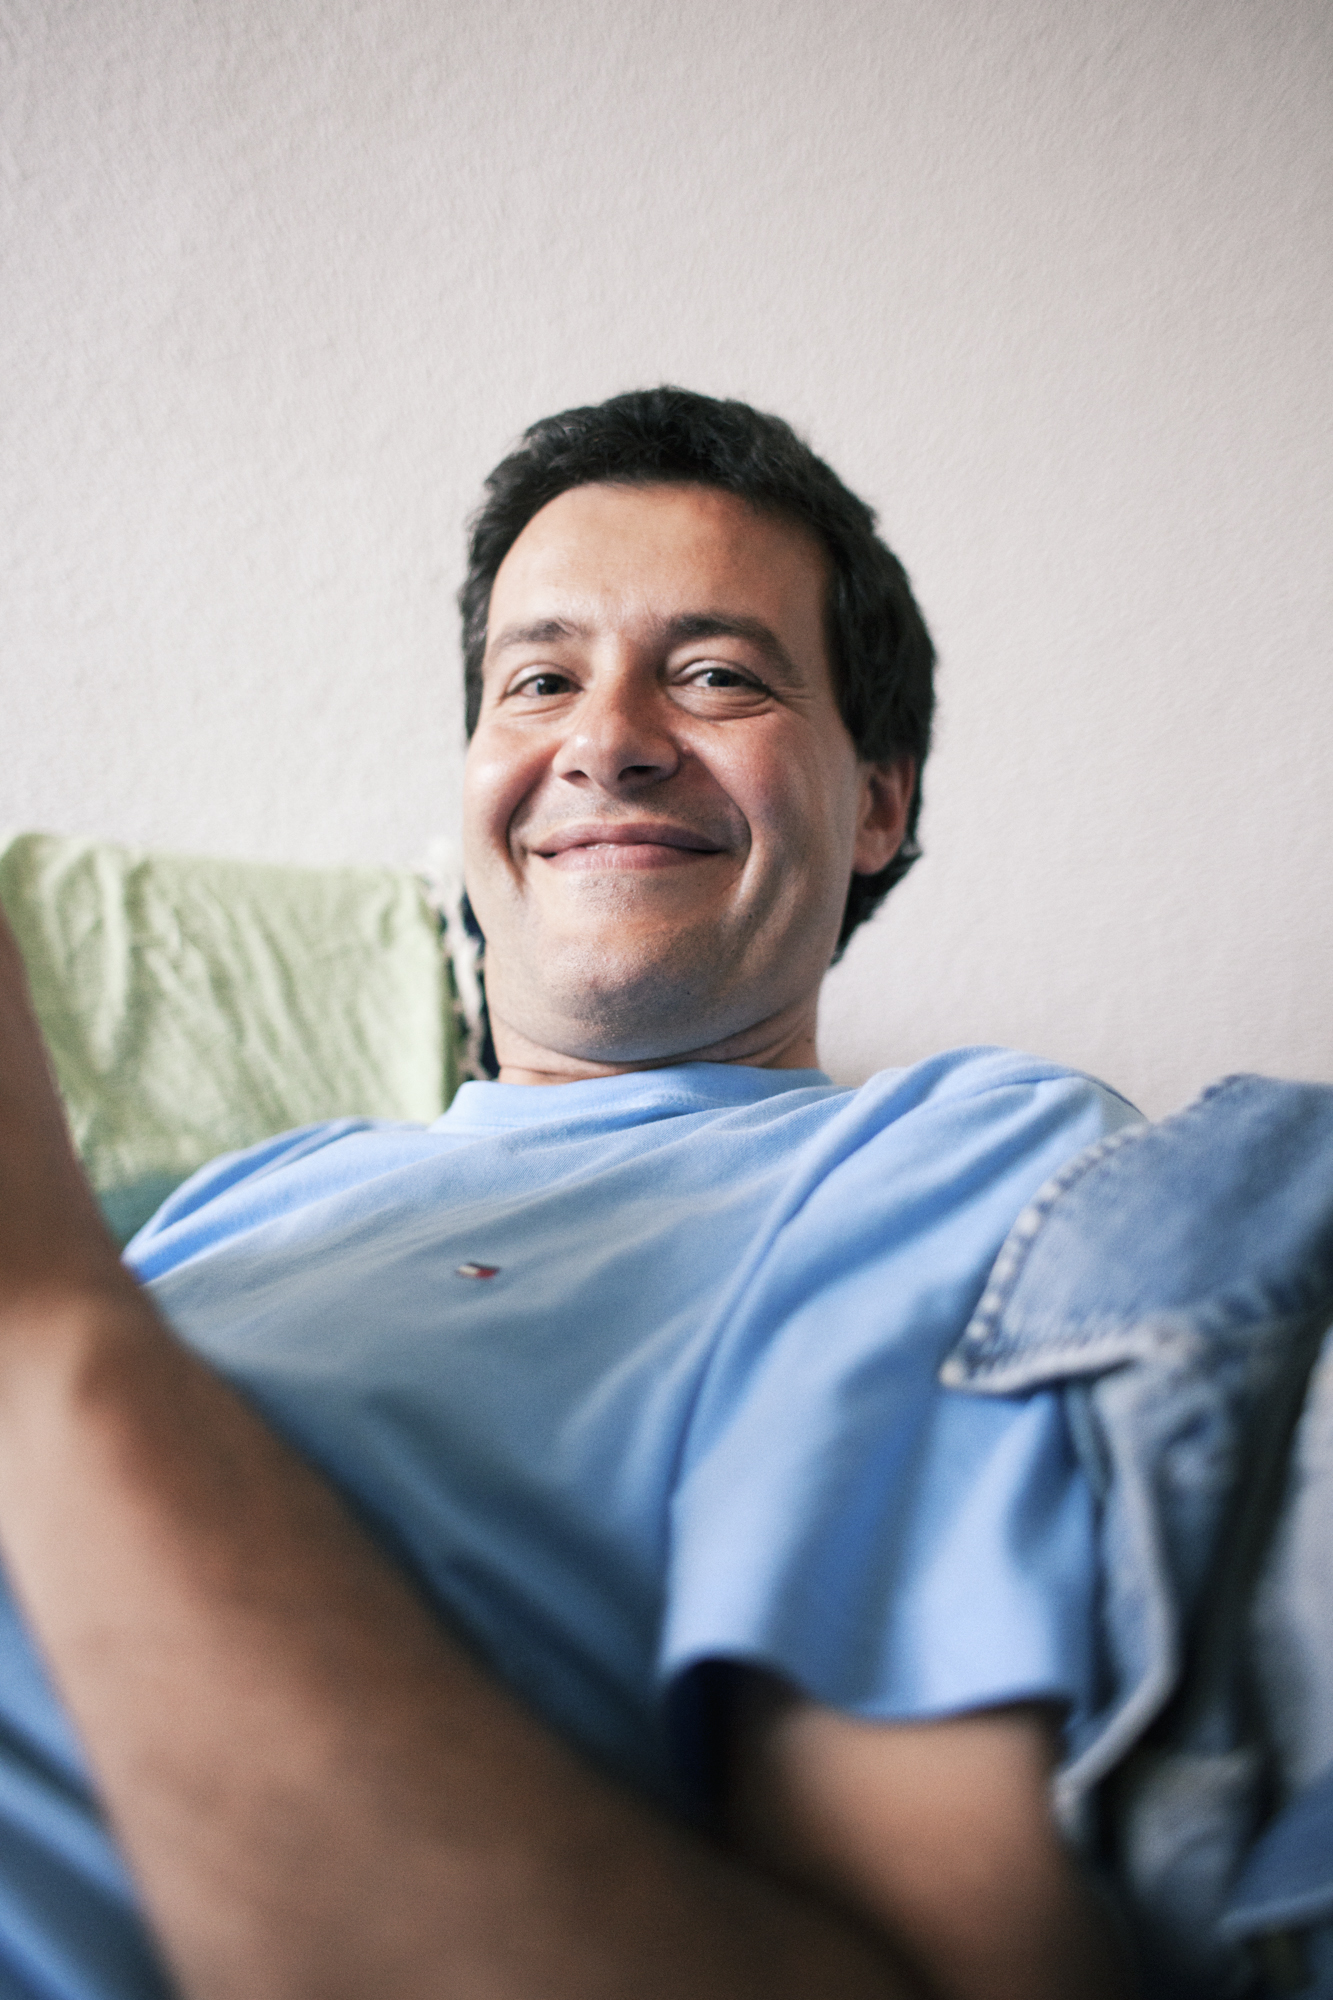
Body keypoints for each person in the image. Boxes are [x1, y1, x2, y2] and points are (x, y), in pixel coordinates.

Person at [0, 388, 1141, 2000]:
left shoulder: (957, 1156)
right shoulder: (251, 1192)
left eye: (717, 674)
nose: (604, 740)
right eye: (538, 679)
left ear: (878, 802)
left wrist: (46, 1320)